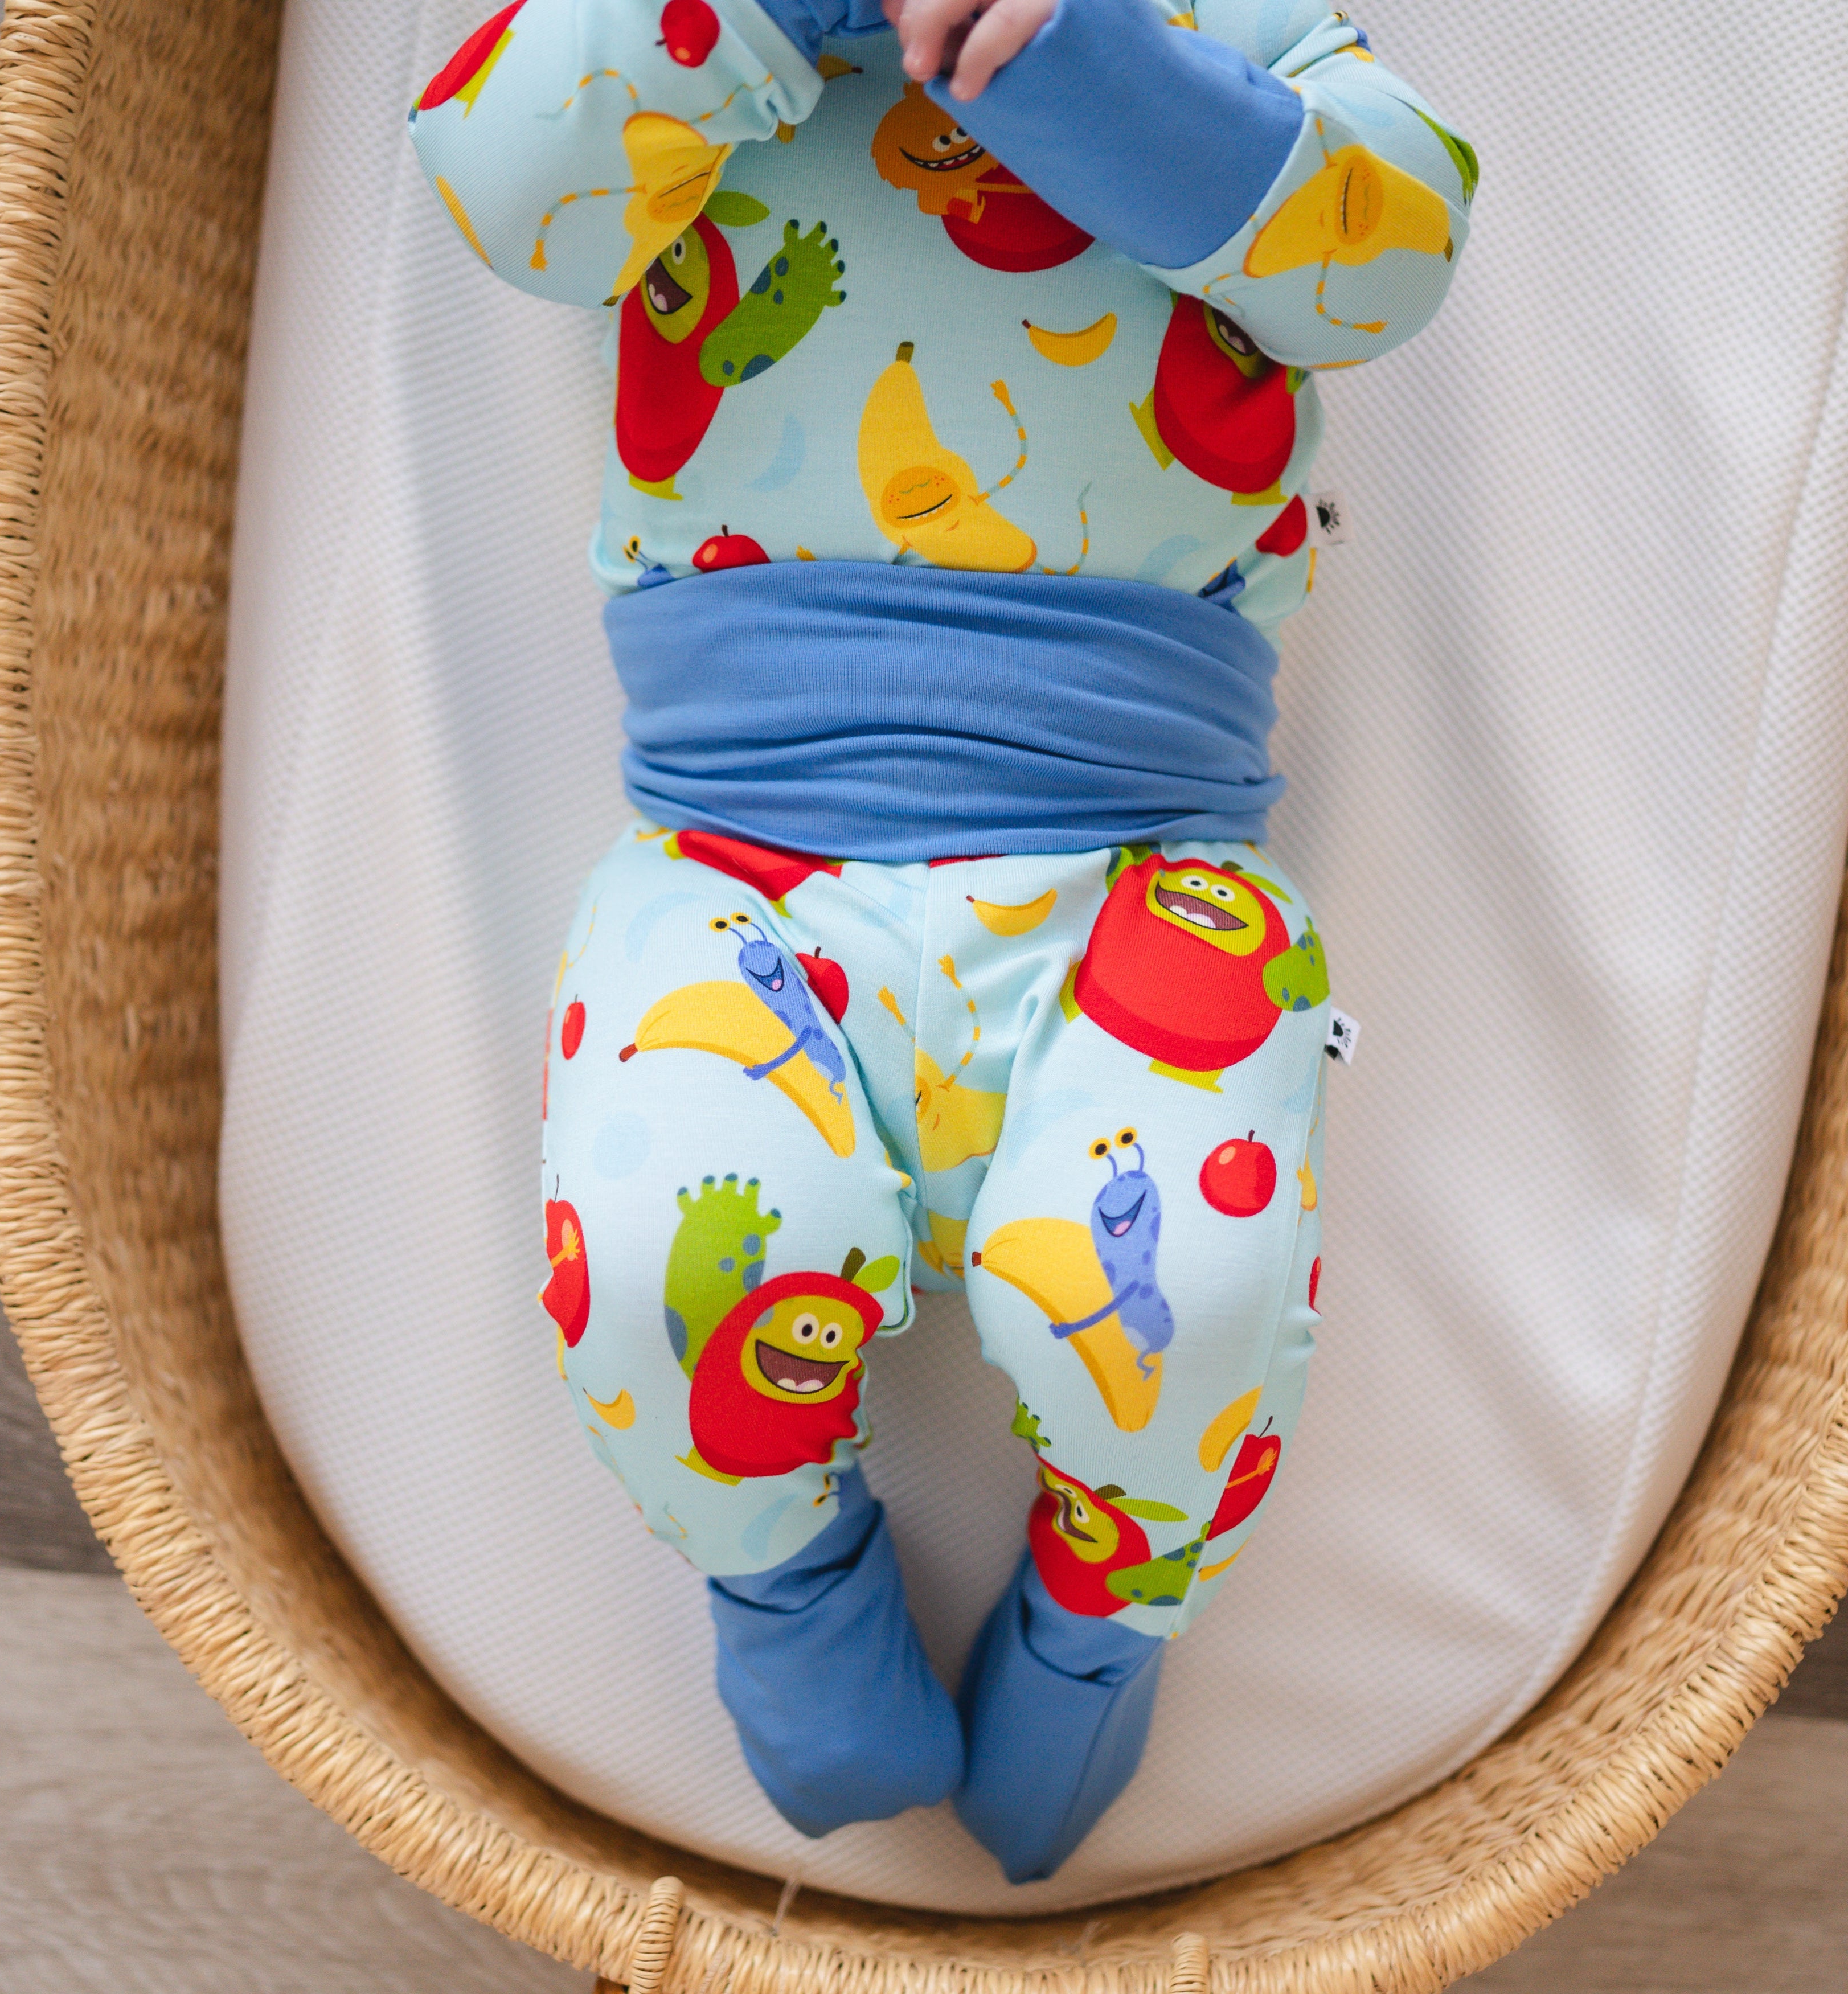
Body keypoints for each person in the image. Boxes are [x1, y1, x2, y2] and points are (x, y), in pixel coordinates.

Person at [411, 0, 1472, 1882]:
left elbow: (1386, 251)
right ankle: (787, 1586)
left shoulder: (1231, 33)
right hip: (740, 867)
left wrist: (1078, 57)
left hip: (1143, 867)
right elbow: (505, 191)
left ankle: (1105, 1605)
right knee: (670, 1253)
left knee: (1188, 1290)